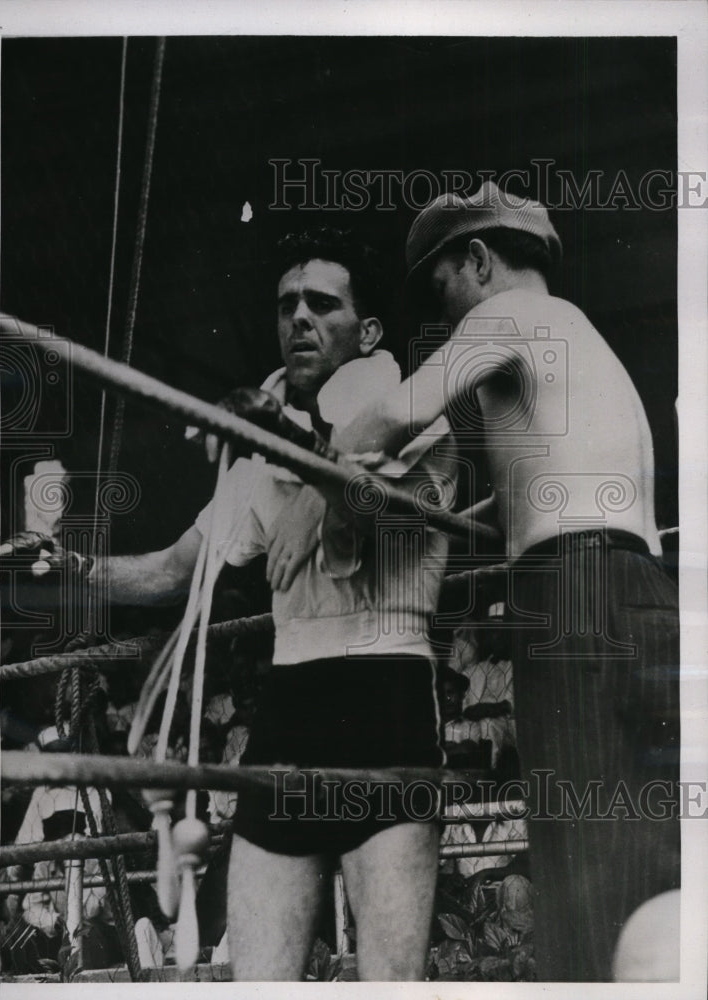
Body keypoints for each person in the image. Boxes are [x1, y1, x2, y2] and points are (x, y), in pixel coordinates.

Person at [2, 228, 459, 981]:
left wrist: (282, 436)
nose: (298, 320)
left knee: (391, 986)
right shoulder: (258, 443)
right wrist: (66, 564)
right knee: (258, 982)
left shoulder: (417, 419)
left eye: (321, 304)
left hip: (386, 697)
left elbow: (369, 512)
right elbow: (175, 570)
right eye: (287, 306)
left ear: (369, 330)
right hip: (289, 711)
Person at [270, 184, 680, 981]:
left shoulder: (501, 317)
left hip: (572, 595)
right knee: (652, 850)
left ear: (479, 260)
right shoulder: (581, 338)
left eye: (443, 290)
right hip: (639, 587)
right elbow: (535, 499)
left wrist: (310, 495)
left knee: (582, 864)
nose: (449, 316)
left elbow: (389, 415)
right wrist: (445, 519)